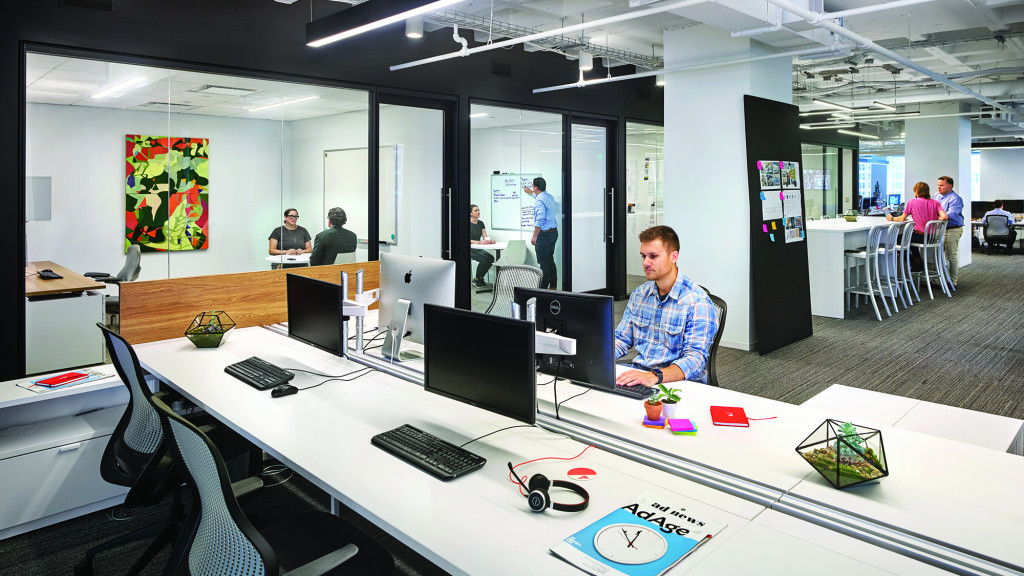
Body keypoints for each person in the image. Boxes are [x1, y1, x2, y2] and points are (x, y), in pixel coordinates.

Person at [613, 225, 719, 387]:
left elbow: (695, 360)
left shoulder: (697, 302)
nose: (646, 262)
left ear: (673, 257)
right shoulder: (640, 295)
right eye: (643, 256)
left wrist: (653, 376)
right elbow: (622, 339)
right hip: (641, 374)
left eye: (653, 256)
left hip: (679, 383)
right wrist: (594, 357)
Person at [886, 182, 947, 267]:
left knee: (896, 239)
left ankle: (914, 261)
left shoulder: (912, 201)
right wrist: (938, 218)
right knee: (910, 240)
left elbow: (902, 218)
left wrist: (892, 218)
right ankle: (918, 263)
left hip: (920, 236)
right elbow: (945, 216)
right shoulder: (935, 202)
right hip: (932, 237)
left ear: (916, 192)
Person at [524, 177, 558, 289]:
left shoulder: (539, 202)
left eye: (533, 186)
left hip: (544, 235)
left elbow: (540, 219)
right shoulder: (549, 197)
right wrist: (529, 191)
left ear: (536, 187)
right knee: (550, 260)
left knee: (543, 263)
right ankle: (553, 286)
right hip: (553, 233)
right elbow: (538, 196)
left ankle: (543, 289)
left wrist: (534, 236)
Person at [935, 175, 964, 287]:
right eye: (938, 185)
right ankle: (939, 279)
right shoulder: (936, 196)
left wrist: (938, 217)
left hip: (952, 229)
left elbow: (949, 215)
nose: (939, 187)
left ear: (950, 186)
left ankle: (952, 281)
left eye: (941, 185)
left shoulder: (955, 199)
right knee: (938, 255)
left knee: (951, 256)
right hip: (939, 229)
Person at [469, 204, 496, 287]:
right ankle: (477, 279)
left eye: (478, 210)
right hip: (469, 249)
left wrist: (489, 241)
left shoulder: (480, 223)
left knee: (491, 258)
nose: (478, 212)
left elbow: (485, 237)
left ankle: (479, 278)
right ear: (470, 213)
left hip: (478, 248)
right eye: (475, 211)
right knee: (484, 260)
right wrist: (480, 242)